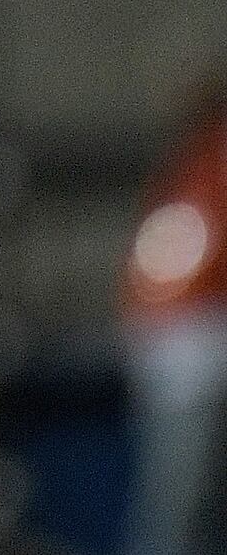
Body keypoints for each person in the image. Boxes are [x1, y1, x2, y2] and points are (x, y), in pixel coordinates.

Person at [123, 61, 227, 555]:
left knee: (182, 517)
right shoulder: (184, 167)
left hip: (199, 361)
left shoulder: (215, 165)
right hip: (175, 358)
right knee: (175, 512)